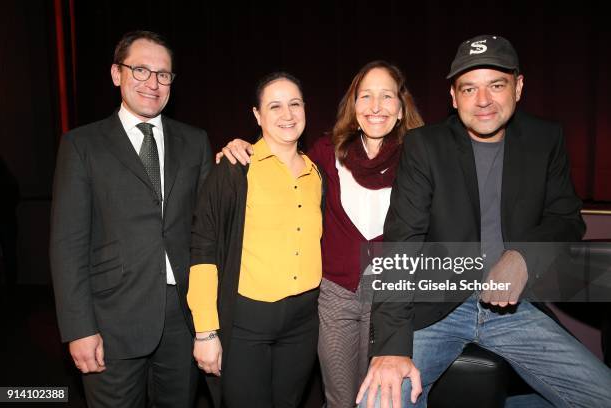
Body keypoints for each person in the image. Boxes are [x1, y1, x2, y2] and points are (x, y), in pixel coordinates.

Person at [357, 34, 611, 408]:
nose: (483, 101)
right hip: (436, 307)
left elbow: (565, 218)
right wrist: (391, 348)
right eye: (469, 88)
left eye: (496, 85)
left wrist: (523, 256)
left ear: (518, 86)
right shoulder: (425, 146)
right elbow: (401, 245)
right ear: (453, 97)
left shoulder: (546, 139)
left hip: (514, 309)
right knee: (378, 404)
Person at [219, 61, 424, 407]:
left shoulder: (421, 159)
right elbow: (281, 163)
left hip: (392, 299)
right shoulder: (326, 154)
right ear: (353, 106)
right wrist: (241, 148)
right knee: (341, 397)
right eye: (366, 96)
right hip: (335, 296)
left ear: (401, 109)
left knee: (383, 398)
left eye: (386, 97)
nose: (375, 107)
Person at [50, 30, 211, 407]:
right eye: (140, 70)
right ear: (115, 74)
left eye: (163, 74)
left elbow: (206, 230)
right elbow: (67, 244)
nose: (152, 83)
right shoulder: (81, 145)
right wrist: (79, 328)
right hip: (111, 320)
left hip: (182, 320)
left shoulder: (195, 141)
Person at [188, 72, 323, 407]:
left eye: (294, 104)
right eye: (274, 106)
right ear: (257, 115)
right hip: (248, 322)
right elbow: (203, 249)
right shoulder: (234, 169)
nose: (287, 115)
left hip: (304, 322)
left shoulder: (316, 174)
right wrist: (205, 331)